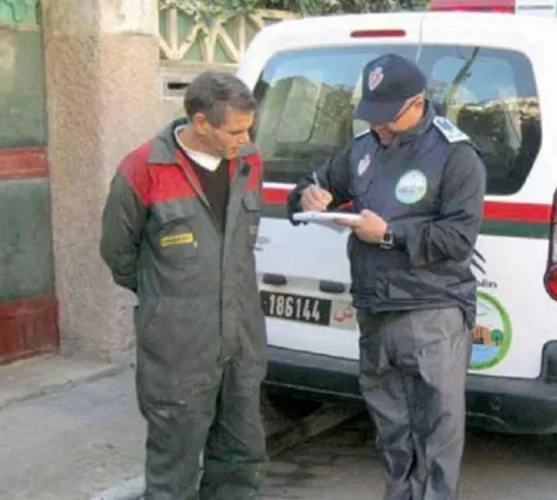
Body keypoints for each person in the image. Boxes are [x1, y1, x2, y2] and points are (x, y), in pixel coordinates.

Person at [287, 54, 487, 500]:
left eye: (387, 116)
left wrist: (391, 234)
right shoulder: (363, 149)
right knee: (393, 432)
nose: (378, 125)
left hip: (431, 310)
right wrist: (310, 195)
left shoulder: (456, 155)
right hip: (374, 310)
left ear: (418, 103)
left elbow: (458, 238)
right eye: (372, 114)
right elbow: (307, 187)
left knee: (436, 436)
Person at [100, 71, 267, 499]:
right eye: (235, 130)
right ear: (200, 123)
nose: (245, 138)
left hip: (241, 342)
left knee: (242, 461)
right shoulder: (142, 169)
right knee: (173, 472)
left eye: (249, 127)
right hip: (177, 352)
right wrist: (167, 300)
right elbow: (120, 254)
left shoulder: (249, 161)